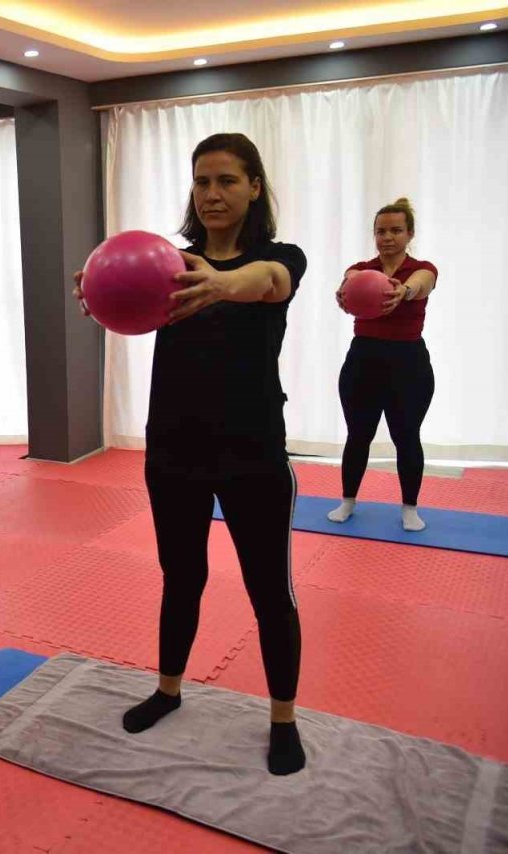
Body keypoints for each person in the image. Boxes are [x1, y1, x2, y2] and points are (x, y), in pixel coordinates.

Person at [74, 132, 307, 775]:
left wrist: (222, 283)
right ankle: (169, 690)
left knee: (270, 591)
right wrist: (101, 291)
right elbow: (123, 299)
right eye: (202, 181)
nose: (212, 194)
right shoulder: (166, 265)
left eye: (227, 180)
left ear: (254, 186)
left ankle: (283, 718)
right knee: (182, 579)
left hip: (254, 454)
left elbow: (270, 282)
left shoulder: (278, 256)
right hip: (174, 451)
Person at [329, 199, 438, 532]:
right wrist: (345, 288)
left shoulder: (422, 268)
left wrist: (403, 291)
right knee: (358, 435)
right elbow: (351, 278)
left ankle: (409, 507)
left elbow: (423, 282)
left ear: (410, 234)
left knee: (406, 436)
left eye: (396, 230)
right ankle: (347, 501)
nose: (387, 237)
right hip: (363, 361)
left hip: (408, 364)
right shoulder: (363, 268)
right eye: (381, 231)